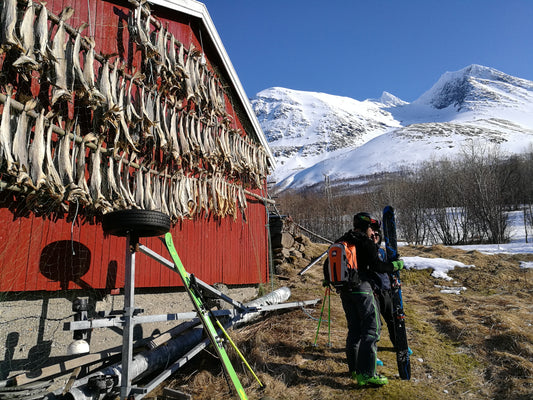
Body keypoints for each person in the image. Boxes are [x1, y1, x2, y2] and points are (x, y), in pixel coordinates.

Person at [323, 212, 404, 387]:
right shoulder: (364, 241)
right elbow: (377, 265)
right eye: (372, 228)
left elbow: (327, 264)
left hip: (344, 291)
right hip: (362, 289)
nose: (372, 231)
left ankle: (354, 369)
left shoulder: (342, 239)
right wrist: (395, 266)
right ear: (368, 227)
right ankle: (367, 374)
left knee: (354, 330)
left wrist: (329, 279)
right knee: (372, 330)